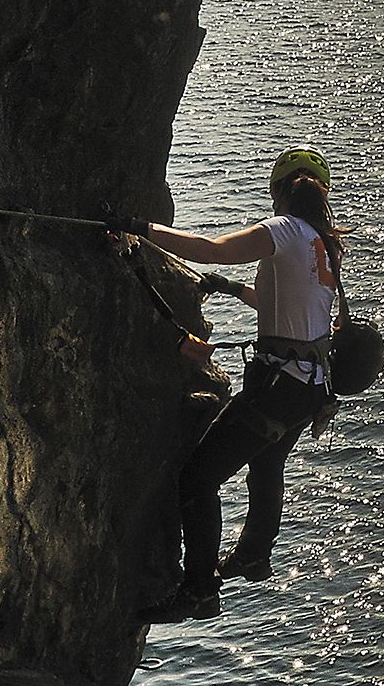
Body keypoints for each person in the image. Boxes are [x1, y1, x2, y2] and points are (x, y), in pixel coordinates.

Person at [128, 147, 346, 621]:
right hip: (308, 389)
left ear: (277, 192)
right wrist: (232, 289)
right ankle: (254, 552)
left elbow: (214, 248)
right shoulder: (323, 245)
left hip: (277, 388)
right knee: (267, 467)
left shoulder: (283, 231)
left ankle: (199, 589)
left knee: (196, 479)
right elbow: (289, 309)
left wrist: (141, 230)